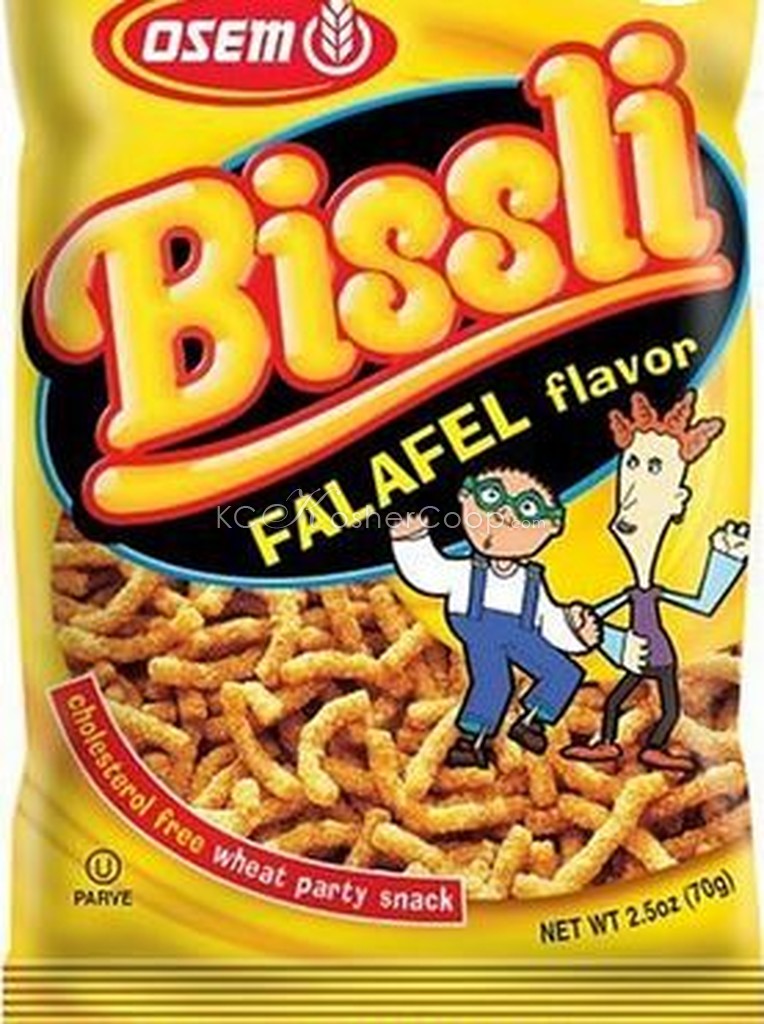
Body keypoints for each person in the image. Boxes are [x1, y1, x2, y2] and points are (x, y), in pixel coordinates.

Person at [562, 390, 749, 774]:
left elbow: (702, 603)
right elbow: (598, 613)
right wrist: (588, 627)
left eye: (653, 469)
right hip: (640, 648)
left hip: (660, 648)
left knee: (664, 704)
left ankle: (649, 747)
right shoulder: (615, 574)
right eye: (633, 465)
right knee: (624, 699)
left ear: (679, 500)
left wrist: (726, 558)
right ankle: (613, 743)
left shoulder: (664, 573)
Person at [390, 467, 599, 767]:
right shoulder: (466, 568)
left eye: (527, 509)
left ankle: (531, 722)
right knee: (495, 683)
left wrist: (576, 633)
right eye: (491, 497)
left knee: (564, 672)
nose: (505, 515)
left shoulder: (533, 578)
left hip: (519, 632)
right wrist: (411, 541)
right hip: (478, 626)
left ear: (551, 527)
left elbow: (548, 618)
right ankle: (470, 742)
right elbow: (430, 574)